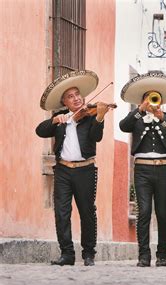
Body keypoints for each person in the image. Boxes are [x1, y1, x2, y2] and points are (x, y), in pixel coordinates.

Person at [36, 70, 111, 266]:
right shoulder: (60, 118)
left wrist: (100, 117)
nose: (76, 99)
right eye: (71, 96)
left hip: (85, 170)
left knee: (87, 211)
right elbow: (40, 131)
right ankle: (67, 254)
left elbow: (96, 137)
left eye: (78, 94)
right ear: (64, 102)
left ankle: (88, 254)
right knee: (61, 212)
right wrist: (54, 120)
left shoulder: (90, 117)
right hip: (62, 170)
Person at [119, 71, 166, 267]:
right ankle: (143, 255)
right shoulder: (137, 118)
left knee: (163, 213)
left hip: (164, 170)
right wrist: (140, 110)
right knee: (144, 212)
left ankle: (162, 254)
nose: (152, 101)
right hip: (142, 170)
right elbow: (123, 126)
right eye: (149, 98)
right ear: (143, 101)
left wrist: (161, 116)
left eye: (155, 98)